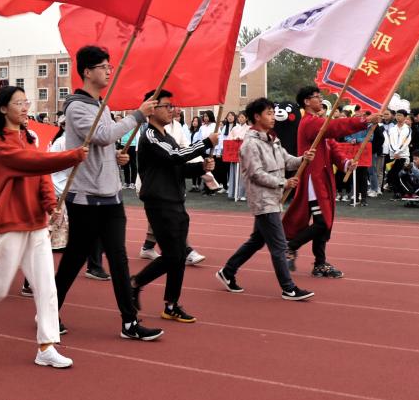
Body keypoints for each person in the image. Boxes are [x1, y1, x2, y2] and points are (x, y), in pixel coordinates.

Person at [0, 86, 87, 367]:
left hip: (36, 222)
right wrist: (71, 156)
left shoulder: (30, 137)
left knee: (46, 286)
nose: (25, 107)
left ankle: (46, 346)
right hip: (9, 222)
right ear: (3, 108)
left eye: (26, 102)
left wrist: (50, 204)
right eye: (19, 103)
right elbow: (29, 163)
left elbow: (41, 175)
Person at [54, 45, 162, 341]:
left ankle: (129, 322)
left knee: (118, 258)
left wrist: (115, 157)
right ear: (87, 72)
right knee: (74, 259)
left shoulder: (103, 105)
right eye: (103, 67)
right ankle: (49, 311)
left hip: (110, 196)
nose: (108, 71)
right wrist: (137, 116)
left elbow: (102, 145)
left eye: (109, 66)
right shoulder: (76, 106)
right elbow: (100, 136)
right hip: (86, 198)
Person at [215, 98, 316, 300]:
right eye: (269, 113)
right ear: (257, 116)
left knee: (257, 240)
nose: (273, 117)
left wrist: (303, 159)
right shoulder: (250, 144)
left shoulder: (273, 140)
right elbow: (256, 174)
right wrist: (283, 183)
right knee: (279, 246)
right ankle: (288, 288)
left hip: (273, 198)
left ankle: (227, 271)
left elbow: (287, 161)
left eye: (273, 112)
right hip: (263, 200)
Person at [131, 89, 216, 323]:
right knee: (173, 255)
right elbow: (175, 156)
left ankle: (170, 304)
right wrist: (205, 143)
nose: (173, 110)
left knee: (177, 256)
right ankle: (136, 283)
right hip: (159, 202)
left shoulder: (166, 137)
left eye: (173, 106)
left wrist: (201, 168)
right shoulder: (150, 136)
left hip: (176, 200)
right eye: (167, 106)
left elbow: (178, 167)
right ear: (152, 108)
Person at [283, 85, 379, 278]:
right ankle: (291, 247)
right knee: (322, 222)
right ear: (306, 102)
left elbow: (333, 147)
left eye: (320, 96)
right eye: (316, 97)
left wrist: (346, 163)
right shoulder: (309, 122)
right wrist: (364, 120)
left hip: (323, 179)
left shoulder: (319, 124)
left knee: (324, 221)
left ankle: (319, 263)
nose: (320, 99)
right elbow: (335, 127)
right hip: (314, 180)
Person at [383, 109, 411, 198]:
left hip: (403, 155)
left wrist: (398, 151)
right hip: (393, 155)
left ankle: (402, 192)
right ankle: (397, 192)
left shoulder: (407, 128)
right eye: (397, 115)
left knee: (398, 174)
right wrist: (395, 152)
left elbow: (406, 141)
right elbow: (390, 141)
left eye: (400, 115)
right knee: (392, 174)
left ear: (405, 117)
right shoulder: (392, 129)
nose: (398, 117)